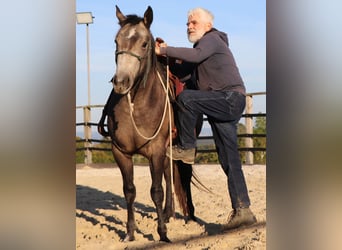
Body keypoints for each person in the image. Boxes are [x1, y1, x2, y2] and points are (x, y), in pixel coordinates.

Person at [155, 7, 257, 230]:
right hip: (224, 103)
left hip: (228, 98)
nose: (189, 26)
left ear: (207, 26)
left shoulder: (212, 40)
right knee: (229, 160)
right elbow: (184, 73)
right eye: (187, 23)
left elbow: (195, 56)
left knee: (187, 99)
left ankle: (187, 148)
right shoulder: (202, 50)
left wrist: (165, 50)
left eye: (194, 23)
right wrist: (163, 60)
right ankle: (243, 210)